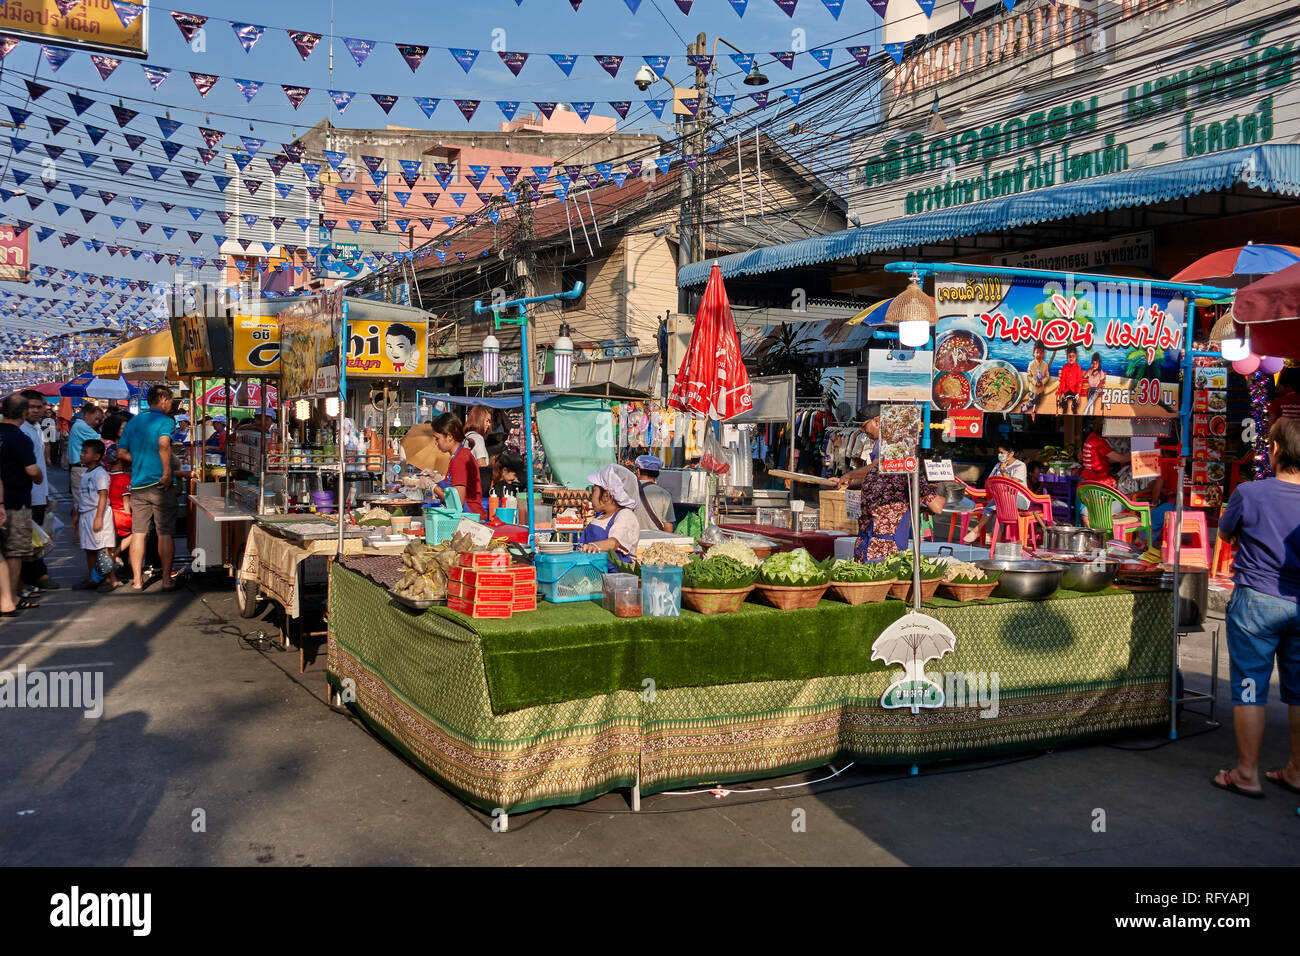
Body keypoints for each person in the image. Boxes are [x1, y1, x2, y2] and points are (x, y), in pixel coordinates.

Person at [1211, 417, 1300, 799]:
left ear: (1276, 449)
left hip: (1256, 604)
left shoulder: (1250, 492)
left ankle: (1246, 773)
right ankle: (1296, 771)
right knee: (1298, 693)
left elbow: (1225, 533)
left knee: (1250, 689)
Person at [117, 385, 177, 591]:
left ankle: (137, 580)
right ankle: (167, 579)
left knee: (139, 532)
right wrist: (166, 473)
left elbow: (121, 452)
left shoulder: (134, 422)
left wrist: (140, 460)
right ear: (162, 399)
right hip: (160, 485)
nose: (171, 405)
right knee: (165, 532)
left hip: (139, 484)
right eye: (169, 400)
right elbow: (163, 445)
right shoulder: (166, 421)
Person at [839, 467, 945, 562]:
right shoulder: (910, 474)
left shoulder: (873, 472)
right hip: (887, 552)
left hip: (864, 547)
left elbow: (892, 509)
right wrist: (944, 491)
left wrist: (923, 509)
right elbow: (937, 507)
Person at [0, 393, 44, 613]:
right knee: (14, 552)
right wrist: (39, 478)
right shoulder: (20, 438)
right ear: (24, 413)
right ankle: (11, 597)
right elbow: (32, 470)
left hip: (4, 500)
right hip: (16, 502)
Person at [19, 391, 56, 596]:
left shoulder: (37, 428)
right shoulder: (21, 431)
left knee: (38, 537)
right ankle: (35, 577)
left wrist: (45, 492)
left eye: (39, 407)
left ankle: (36, 575)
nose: (36, 411)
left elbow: (41, 462)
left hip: (39, 493)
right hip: (27, 494)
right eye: (31, 407)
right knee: (29, 540)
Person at [73, 439, 120, 592]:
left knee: (104, 549)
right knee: (89, 548)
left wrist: (99, 517)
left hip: (97, 513)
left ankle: (110, 579)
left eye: (86, 452)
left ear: (96, 456)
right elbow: (83, 496)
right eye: (82, 451)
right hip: (86, 514)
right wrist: (77, 515)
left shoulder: (100, 473)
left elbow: (103, 495)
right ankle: (93, 578)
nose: (82, 454)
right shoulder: (86, 473)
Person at [963, 440, 1030, 543]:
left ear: (1011, 453)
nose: (999, 455)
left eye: (1002, 453)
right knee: (997, 507)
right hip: (1001, 499)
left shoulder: (1020, 466)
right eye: (998, 453)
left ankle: (977, 530)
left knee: (997, 503)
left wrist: (1003, 472)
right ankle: (995, 540)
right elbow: (990, 482)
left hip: (1020, 500)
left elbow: (1012, 485)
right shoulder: (997, 466)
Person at [578, 463, 641, 568]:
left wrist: (594, 546)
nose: (591, 496)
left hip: (613, 578)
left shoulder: (625, 515)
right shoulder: (600, 516)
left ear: (606, 495)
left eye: (594, 491)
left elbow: (614, 543)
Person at [426, 411, 485, 517]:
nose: (436, 442)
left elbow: (457, 501)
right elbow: (452, 485)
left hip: (469, 518)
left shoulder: (460, 460)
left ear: (449, 436)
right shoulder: (459, 456)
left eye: (437, 438)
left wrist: (432, 486)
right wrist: (435, 477)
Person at [67, 402, 104, 519]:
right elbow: (101, 441)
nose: (96, 422)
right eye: (96, 419)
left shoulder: (80, 426)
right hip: (80, 469)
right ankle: (78, 530)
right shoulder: (81, 426)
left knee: (84, 503)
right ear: (87, 415)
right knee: (81, 504)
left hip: (83, 469)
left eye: (99, 420)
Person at [104, 444, 132, 576]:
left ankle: (116, 558)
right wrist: (129, 514)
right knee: (139, 533)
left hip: (110, 514)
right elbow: (127, 502)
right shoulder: (125, 478)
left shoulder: (106, 477)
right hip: (122, 515)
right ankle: (116, 552)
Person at [631, 454, 675, 533]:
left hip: (633, 540)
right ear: (657, 473)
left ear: (638, 471)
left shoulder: (629, 490)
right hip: (655, 542)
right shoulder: (665, 494)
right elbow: (669, 528)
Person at [1079, 419, 1126, 486]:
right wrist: (1134, 456)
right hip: (1097, 480)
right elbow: (1119, 459)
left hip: (1088, 478)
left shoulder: (1091, 437)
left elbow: (1106, 459)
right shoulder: (1098, 441)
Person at [1022, 341, 1050, 417]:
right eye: (1037, 352)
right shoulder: (1031, 364)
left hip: (1041, 389)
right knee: (1032, 400)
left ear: (1043, 354)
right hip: (1033, 389)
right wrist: (1035, 382)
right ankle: (1025, 408)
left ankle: (1034, 409)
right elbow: (1029, 376)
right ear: (1034, 353)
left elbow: (1047, 376)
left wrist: (1043, 382)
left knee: (1038, 401)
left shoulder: (1045, 364)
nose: (1039, 355)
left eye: (1041, 353)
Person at [1056, 346, 1083, 416]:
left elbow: (1079, 381)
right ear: (1067, 357)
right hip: (1066, 390)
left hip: (1074, 390)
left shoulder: (1078, 367)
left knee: (1076, 402)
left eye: (1073, 356)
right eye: (1069, 356)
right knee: (1062, 401)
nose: (1071, 358)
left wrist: (1078, 393)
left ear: (1076, 357)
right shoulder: (1065, 367)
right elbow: (1062, 380)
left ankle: (1074, 408)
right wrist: (1062, 392)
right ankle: (1065, 408)